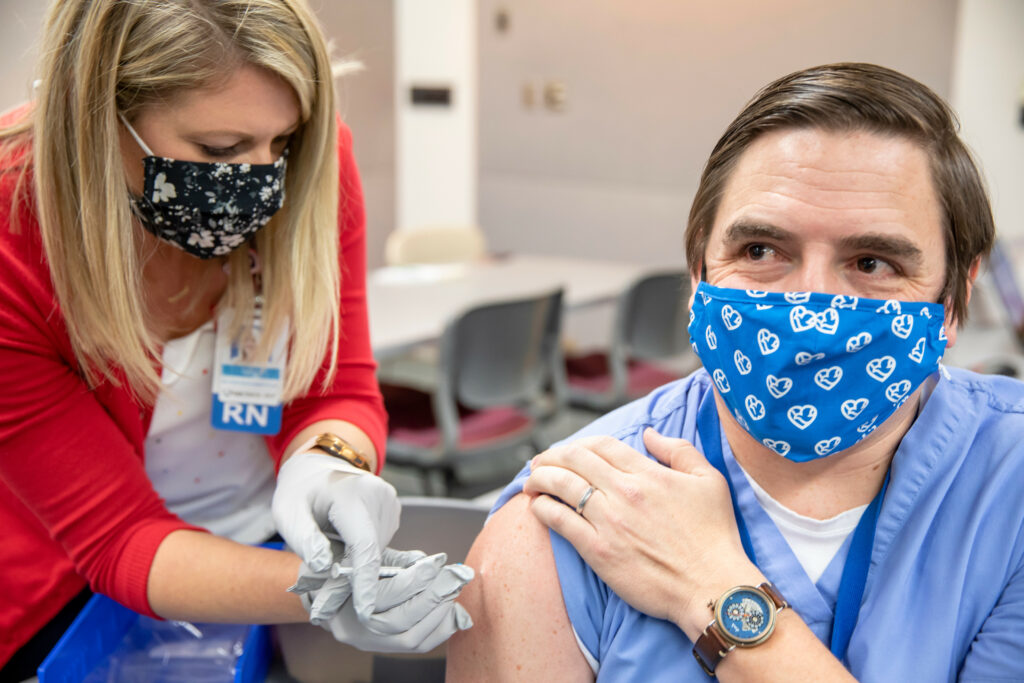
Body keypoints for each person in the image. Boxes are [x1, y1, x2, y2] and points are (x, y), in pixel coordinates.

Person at [448, 63, 1024, 681]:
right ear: (698, 269)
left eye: (872, 262)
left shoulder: (1007, 485)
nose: (811, 305)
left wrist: (712, 584)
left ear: (956, 297)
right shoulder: (566, 517)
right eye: (761, 251)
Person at [0, 1, 471, 678]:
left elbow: (337, 383)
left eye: (280, 143)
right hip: (71, 591)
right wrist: (318, 591)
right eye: (221, 152)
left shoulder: (310, 157)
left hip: (269, 533)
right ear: (101, 115)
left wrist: (327, 461)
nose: (262, 180)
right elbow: (119, 538)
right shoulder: (13, 231)